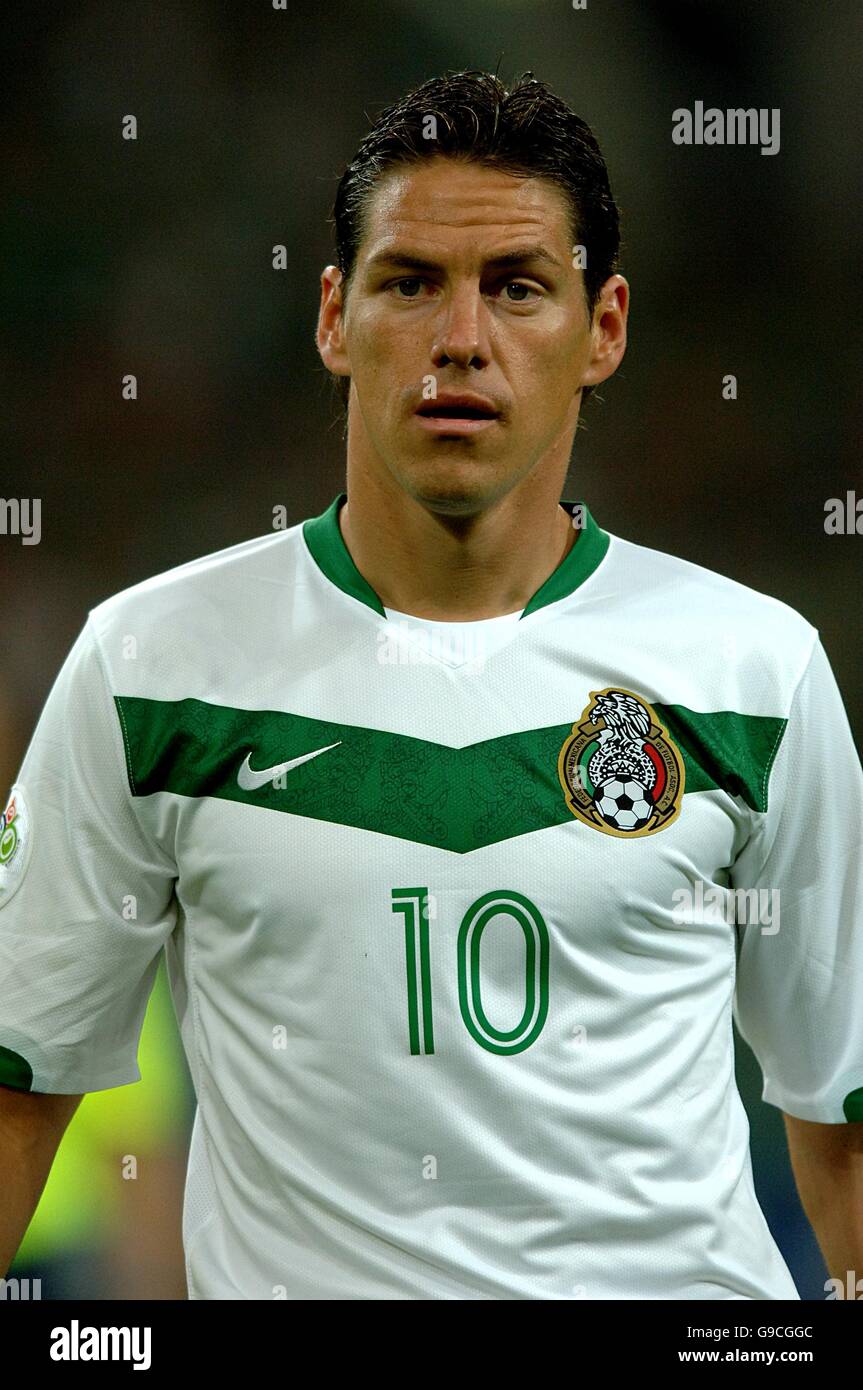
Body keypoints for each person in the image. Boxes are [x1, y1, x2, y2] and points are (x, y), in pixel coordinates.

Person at [1, 70, 861, 1301]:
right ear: (334, 317)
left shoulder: (752, 669)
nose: (460, 338)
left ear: (602, 328)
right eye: (410, 283)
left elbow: (843, 1108)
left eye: (516, 287)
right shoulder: (149, 666)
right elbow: (17, 1094)